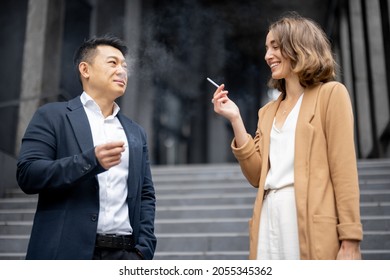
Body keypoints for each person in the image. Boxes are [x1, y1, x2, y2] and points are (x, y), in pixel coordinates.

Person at [211, 13, 363, 260]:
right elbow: (256, 175)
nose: (267, 55)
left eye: (275, 46)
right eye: (266, 48)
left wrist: (351, 238)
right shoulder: (267, 112)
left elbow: (344, 171)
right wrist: (236, 119)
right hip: (268, 215)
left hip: (309, 218)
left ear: (299, 47)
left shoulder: (331, 95)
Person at [16, 35, 157, 260]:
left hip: (125, 255)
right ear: (85, 69)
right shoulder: (53, 115)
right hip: (65, 253)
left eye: (125, 66)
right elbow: (27, 174)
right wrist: (90, 161)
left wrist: (143, 250)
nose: (122, 71)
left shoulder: (135, 132)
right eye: (112, 63)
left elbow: (146, 194)